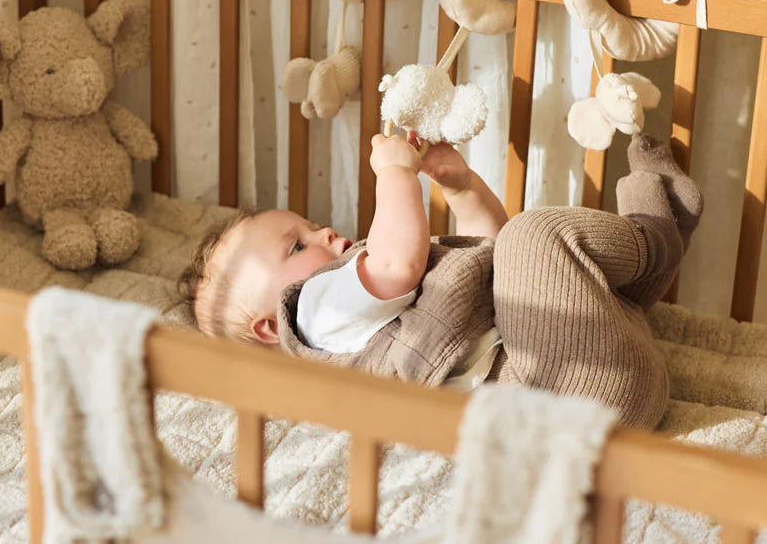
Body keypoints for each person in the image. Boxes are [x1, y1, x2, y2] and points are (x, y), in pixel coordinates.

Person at [179, 132, 702, 429]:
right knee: (534, 235)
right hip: (566, 397)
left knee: (537, 261)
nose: (324, 232)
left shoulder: (366, 304)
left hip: (603, 374)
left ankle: (655, 226)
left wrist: (460, 187)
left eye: (310, 226)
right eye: (298, 245)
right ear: (272, 328)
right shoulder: (313, 314)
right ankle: (656, 236)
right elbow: (398, 264)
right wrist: (393, 173)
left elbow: (488, 260)